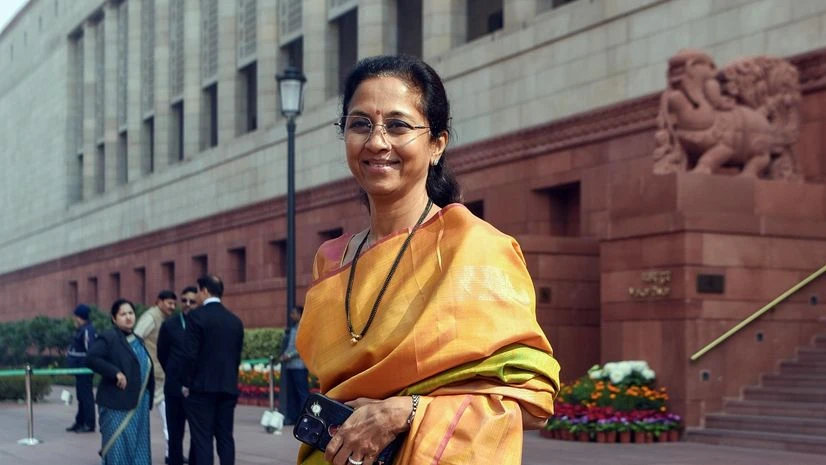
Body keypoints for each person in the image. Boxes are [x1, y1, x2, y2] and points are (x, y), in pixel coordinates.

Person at [295, 55, 561, 465]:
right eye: (360, 124)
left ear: (437, 144)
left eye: (398, 125)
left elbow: (532, 397)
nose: (377, 142)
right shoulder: (331, 260)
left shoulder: (472, 247)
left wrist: (403, 412)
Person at [181, 275, 244, 465]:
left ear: (205, 291)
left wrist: (186, 383)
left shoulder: (196, 316)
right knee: (225, 437)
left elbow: (190, 355)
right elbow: (236, 357)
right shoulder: (235, 321)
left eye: (198, 291)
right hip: (227, 388)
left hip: (202, 389)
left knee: (202, 440)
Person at [86, 299, 154, 465]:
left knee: (139, 447)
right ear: (114, 319)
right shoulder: (109, 337)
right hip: (117, 404)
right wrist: (115, 372)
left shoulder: (138, 340)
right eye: (123, 314)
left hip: (139, 405)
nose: (128, 317)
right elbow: (92, 358)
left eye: (131, 313)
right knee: (118, 447)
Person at [134, 290, 176, 462]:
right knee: (168, 415)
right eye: (169, 303)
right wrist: (145, 362)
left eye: (174, 303)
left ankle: (171, 452)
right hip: (153, 375)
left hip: (157, 374)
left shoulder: (161, 317)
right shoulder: (151, 317)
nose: (172, 307)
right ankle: (171, 453)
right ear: (159, 301)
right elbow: (137, 337)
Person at [158, 286, 198, 465]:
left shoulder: (202, 323)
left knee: (197, 434)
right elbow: (162, 353)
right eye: (184, 301)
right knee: (175, 434)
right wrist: (174, 371)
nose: (187, 304)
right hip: (174, 387)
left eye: (192, 301)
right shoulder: (170, 325)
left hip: (197, 389)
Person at [66, 303, 97, 433]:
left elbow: (91, 350)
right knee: (81, 396)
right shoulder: (82, 329)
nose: (74, 320)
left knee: (86, 397)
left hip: (85, 369)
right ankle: (80, 421)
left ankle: (89, 424)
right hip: (79, 369)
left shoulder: (88, 330)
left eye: (75, 317)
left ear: (80, 317)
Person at [279, 306, 309, 426]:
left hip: (300, 366)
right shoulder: (293, 328)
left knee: (302, 394)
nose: (291, 315)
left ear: (300, 314)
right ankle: (294, 418)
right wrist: (284, 355)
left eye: (294, 313)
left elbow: (302, 346)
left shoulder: (304, 328)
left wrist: (289, 355)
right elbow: (291, 345)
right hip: (290, 366)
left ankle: (304, 418)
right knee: (292, 394)